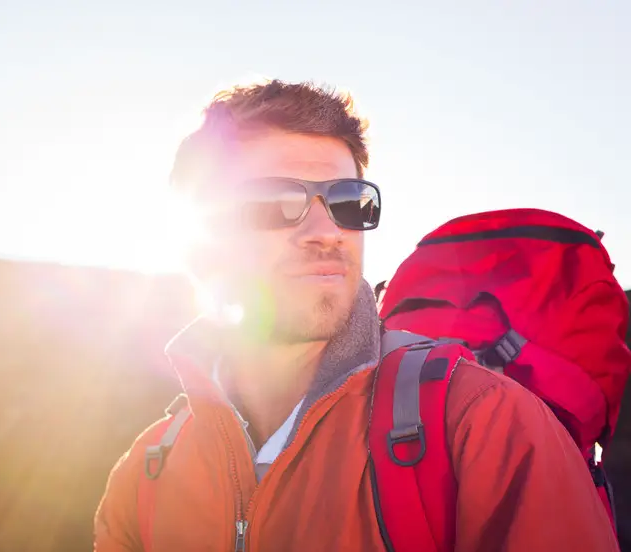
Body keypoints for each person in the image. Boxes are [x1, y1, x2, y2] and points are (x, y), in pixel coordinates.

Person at [93, 78, 619, 551]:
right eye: (276, 201)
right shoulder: (147, 474)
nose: (328, 232)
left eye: (349, 202)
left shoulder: (483, 421)